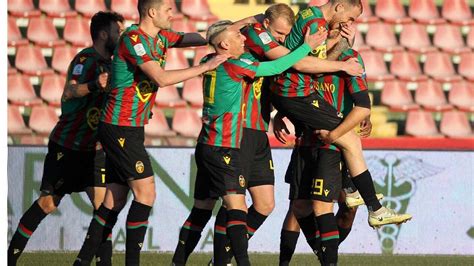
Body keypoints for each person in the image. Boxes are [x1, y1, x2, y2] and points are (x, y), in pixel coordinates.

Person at [72, 1, 229, 265]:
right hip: (120, 126)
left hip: (128, 127)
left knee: (115, 199)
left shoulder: (161, 36)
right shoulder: (133, 39)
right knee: (146, 194)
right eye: (168, 9)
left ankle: (82, 261)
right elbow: (161, 78)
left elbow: (198, 38)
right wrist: (204, 67)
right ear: (152, 12)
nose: (172, 13)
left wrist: (237, 27)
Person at [173, 19, 322, 266]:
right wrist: (305, 47)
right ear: (224, 43)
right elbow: (277, 67)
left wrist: (249, 21)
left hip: (214, 142)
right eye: (237, 35)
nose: (244, 37)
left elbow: (220, 38)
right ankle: (234, 261)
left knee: (207, 208)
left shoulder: (208, 61)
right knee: (235, 208)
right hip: (225, 144)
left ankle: (180, 262)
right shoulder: (236, 64)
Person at [270, 0, 412, 232]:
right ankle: (374, 208)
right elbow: (303, 65)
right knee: (349, 140)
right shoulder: (316, 25)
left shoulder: (308, 13)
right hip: (295, 91)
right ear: (338, 7)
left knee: (345, 141)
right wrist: (345, 67)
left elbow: (319, 59)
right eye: (350, 17)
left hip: (291, 92)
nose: (349, 23)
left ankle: (354, 191)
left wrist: (348, 45)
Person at [7, 11, 125, 266]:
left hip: (94, 150)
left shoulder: (114, 63)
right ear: (104, 33)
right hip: (68, 146)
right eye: (118, 31)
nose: (122, 35)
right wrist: (95, 85)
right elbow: (70, 92)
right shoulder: (85, 60)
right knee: (48, 204)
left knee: (102, 208)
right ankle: (9, 258)